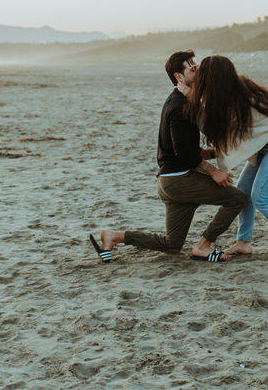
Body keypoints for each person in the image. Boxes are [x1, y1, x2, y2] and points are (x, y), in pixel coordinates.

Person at [90, 51, 247, 263]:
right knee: (237, 199)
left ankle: (114, 236)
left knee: (172, 245)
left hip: (169, 182)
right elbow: (183, 152)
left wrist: (213, 153)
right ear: (179, 77)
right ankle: (204, 246)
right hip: (179, 180)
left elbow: (183, 150)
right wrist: (214, 172)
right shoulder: (180, 106)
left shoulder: (183, 101)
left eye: (197, 65)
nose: (197, 70)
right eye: (192, 68)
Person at [182, 55, 268, 259]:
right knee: (243, 195)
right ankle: (244, 242)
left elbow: (211, 123)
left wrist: (189, 95)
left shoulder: (234, 97)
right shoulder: (233, 90)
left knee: (260, 197)